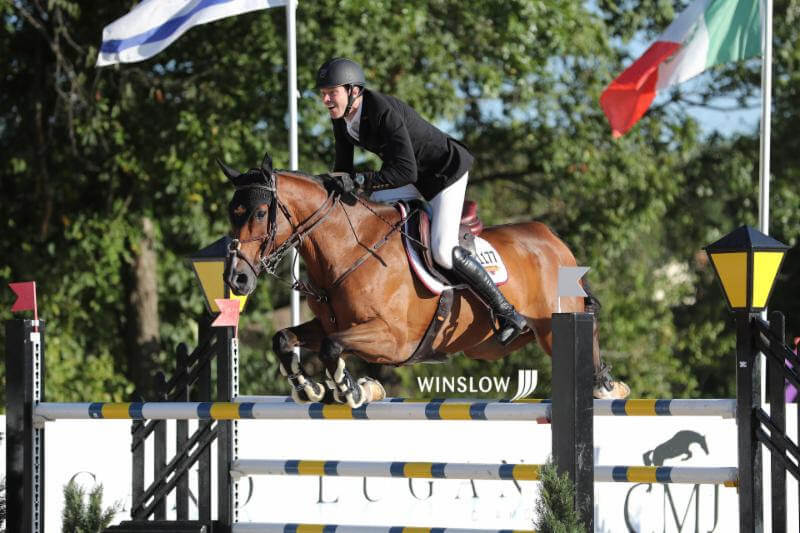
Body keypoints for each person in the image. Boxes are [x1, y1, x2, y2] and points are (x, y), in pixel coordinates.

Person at [316, 57, 527, 345]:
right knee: (368, 212)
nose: (326, 99)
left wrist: (362, 181)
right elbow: (344, 167)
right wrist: (328, 188)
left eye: (332, 92)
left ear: (353, 90)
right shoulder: (342, 118)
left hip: (444, 174)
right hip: (413, 178)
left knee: (442, 249)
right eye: (323, 93)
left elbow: (405, 170)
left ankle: (506, 311)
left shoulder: (382, 111)